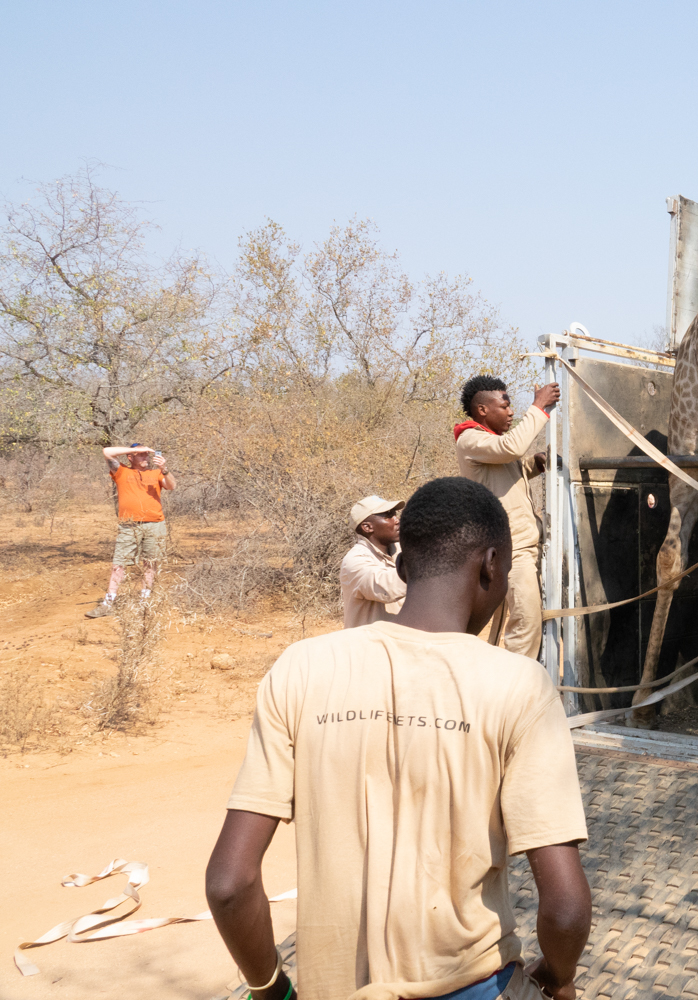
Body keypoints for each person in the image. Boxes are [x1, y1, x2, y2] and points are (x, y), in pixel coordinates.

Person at [206, 476, 592, 1000]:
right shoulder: (519, 685)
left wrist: (271, 991)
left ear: (405, 567)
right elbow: (565, 908)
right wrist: (557, 978)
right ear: (492, 565)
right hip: (473, 986)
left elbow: (229, 886)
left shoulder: (300, 668)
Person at [455, 374, 559, 659]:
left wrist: (533, 465)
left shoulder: (491, 441)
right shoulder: (470, 439)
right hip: (510, 549)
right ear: (482, 410)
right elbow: (512, 448)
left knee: (528, 622)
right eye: (505, 405)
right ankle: (518, 692)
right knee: (525, 624)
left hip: (523, 545)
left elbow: (508, 469)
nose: (511, 411)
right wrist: (538, 407)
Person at [85, 443, 176, 618]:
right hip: (129, 525)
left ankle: (145, 601)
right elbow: (107, 452)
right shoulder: (121, 471)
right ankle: (108, 603)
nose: (145, 458)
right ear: (130, 457)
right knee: (119, 564)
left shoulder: (156, 473)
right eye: (141, 455)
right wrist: (134, 449)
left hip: (155, 524)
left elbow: (171, 486)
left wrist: (164, 468)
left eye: (146, 455)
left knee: (151, 563)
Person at [339, 495, 406, 629]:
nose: (397, 520)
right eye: (388, 516)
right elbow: (386, 588)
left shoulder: (400, 549)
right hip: (370, 647)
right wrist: (426, 564)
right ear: (367, 527)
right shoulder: (354, 561)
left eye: (395, 514)